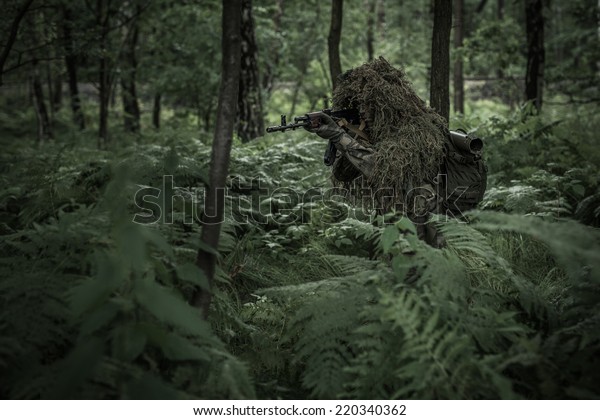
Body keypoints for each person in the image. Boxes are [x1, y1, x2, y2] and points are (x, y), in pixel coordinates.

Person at [304, 57, 486, 247]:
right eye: (359, 104)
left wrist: (338, 136)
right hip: (401, 217)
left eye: (369, 104)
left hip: (427, 217)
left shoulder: (414, 128)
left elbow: (381, 168)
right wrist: (350, 134)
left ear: (387, 102)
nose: (363, 111)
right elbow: (344, 174)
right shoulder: (379, 131)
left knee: (426, 265)